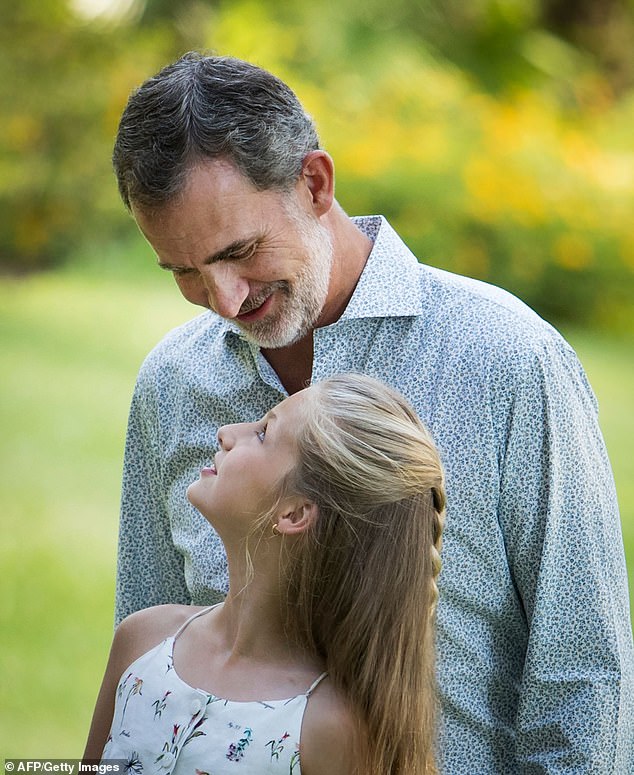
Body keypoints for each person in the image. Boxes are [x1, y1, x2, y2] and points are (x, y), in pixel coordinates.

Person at [111, 52, 634, 773]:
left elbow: (584, 681)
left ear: (315, 183)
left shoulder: (510, 359)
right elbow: (146, 681)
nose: (226, 301)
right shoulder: (170, 384)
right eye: (186, 273)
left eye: (241, 251)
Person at [84, 374, 445, 774]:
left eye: (262, 433)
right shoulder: (142, 641)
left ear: (293, 513)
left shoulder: (327, 730)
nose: (226, 433)